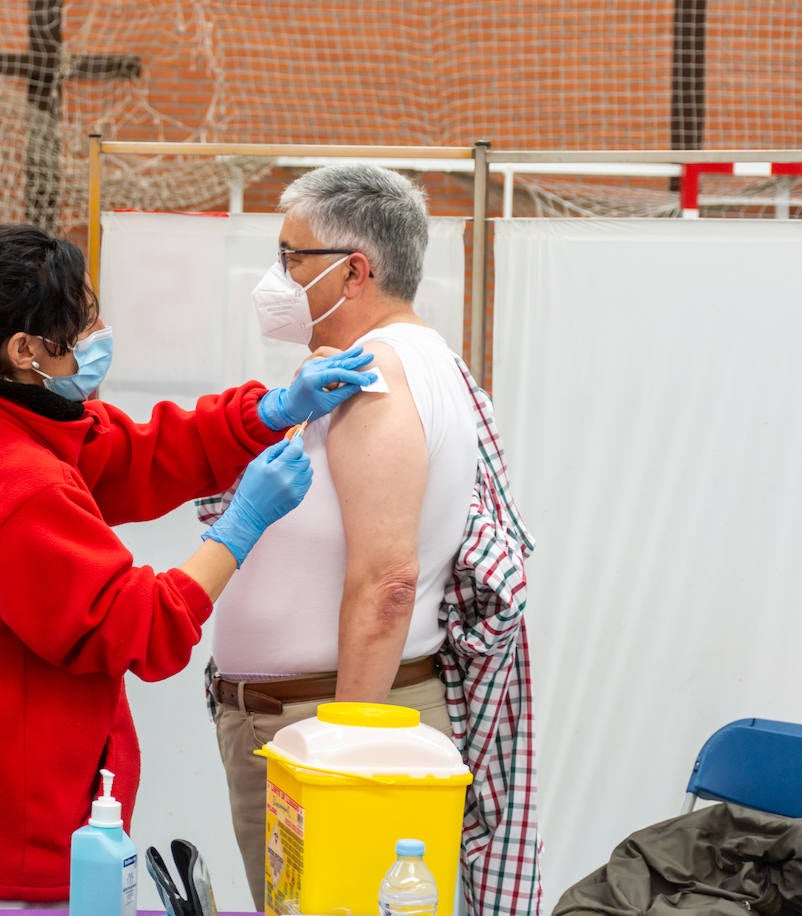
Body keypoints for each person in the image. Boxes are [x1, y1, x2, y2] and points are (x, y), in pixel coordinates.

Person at [0, 224, 376, 909]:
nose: (95, 334)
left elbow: (130, 454)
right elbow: (139, 627)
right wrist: (241, 526)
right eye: (76, 327)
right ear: (25, 350)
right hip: (7, 829)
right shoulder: (22, 485)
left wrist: (267, 410)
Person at [201, 164, 540, 916]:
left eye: (292, 258)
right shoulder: (391, 365)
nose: (276, 278)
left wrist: (346, 758)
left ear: (355, 271)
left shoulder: (381, 374)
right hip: (304, 720)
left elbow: (388, 581)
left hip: (329, 722)